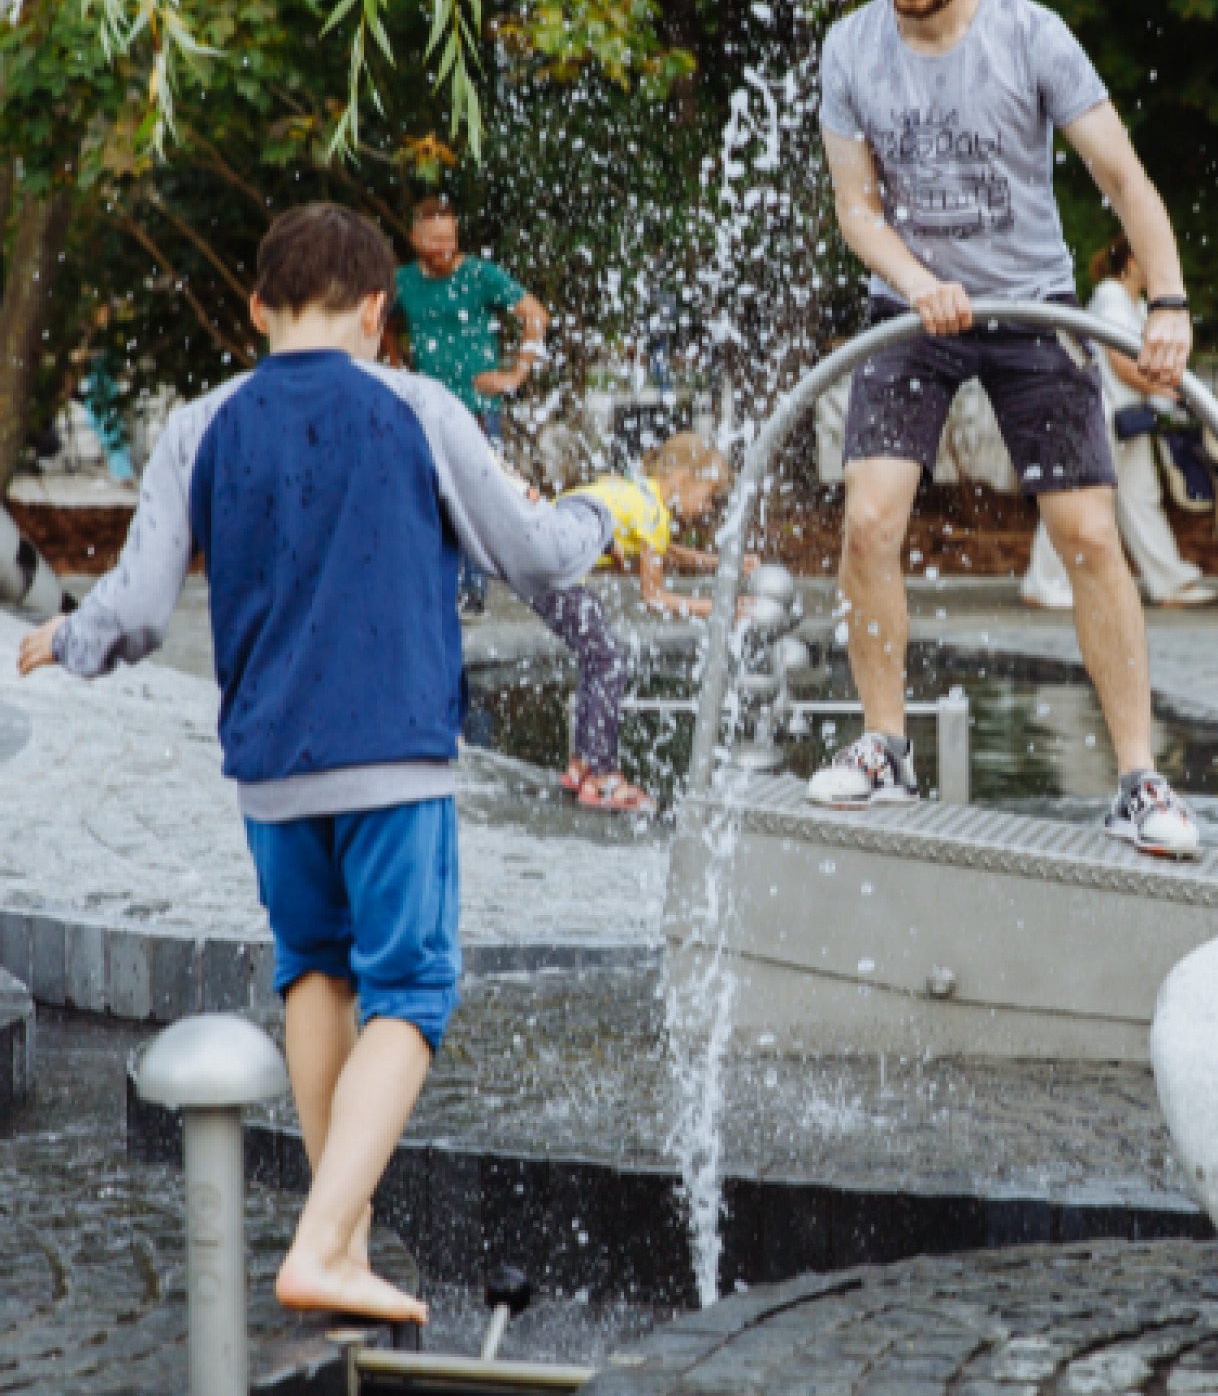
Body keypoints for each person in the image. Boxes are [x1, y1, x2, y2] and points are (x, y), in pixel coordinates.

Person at [16, 203, 611, 1323]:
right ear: (381, 310)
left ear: (255, 305)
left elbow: (139, 605)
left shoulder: (202, 424)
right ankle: (325, 1239)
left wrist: (73, 637)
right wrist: (600, 512)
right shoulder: (417, 404)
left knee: (315, 968)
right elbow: (529, 550)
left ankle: (347, 1231)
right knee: (414, 985)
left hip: (271, 767)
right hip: (392, 754)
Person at [812, 0, 1200, 858]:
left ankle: (1134, 777)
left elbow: (1123, 179)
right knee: (867, 519)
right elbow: (855, 210)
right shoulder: (849, 48)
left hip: (1034, 306)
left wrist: (1166, 300)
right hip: (910, 312)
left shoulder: (1031, 36)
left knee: (1087, 536)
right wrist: (916, 280)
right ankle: (884, 746)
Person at [539, 432, 753, 813]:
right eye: (707, 496)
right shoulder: (652, 512)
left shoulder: (639, 494)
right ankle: (602, 775)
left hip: (541, 560)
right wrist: (725, 609)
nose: (705, 509)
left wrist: (723, 564)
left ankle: (582, 765)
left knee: (598, 658)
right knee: (610, 661)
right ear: (684, 478)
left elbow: (661, 549)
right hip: (559, 572)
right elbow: (654, 598)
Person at [1021, 236, 1214, 610]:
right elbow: (1122, 363)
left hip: (1130, 420)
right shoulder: (1110, 295)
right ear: (1131, 262)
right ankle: (1043, 582)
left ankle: (1168, 580)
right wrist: (1174, 389)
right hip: (1099, 416)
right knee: (1074, 496)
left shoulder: (1137, 304)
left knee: (1141, 497)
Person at [388, 197, 550, 618]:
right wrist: (393, 364)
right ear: (416, 238)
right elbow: (377, 320)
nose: (445, 247)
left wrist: (516, 374)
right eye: (435, 240)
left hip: (477, 407)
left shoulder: (479, 274)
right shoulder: (403, 282)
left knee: (478, 494)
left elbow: (535, 313)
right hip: (425, 410)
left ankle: (473, 593)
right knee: (426, 496)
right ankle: (434, 589)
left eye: (450, 238)